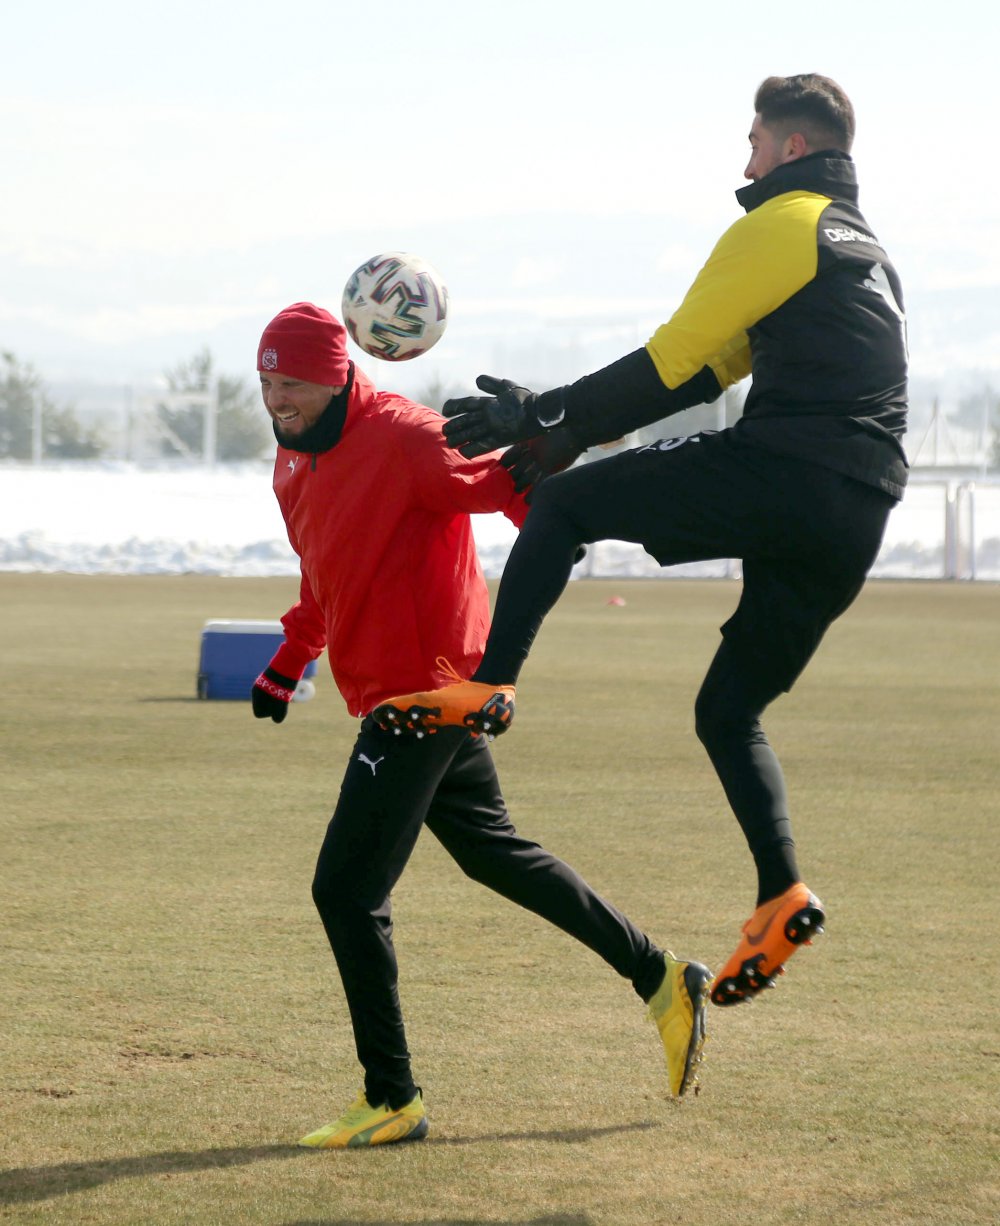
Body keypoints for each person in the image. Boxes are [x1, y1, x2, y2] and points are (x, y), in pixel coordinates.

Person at [373, 74, 909, 1009]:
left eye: (752, 142)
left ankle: (488, 687)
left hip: (790, 467)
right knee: (727, 711)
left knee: (566, 509)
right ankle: (781, 892)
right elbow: (712, 368)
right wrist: (564, 430)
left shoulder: (782, 223)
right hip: (862, 508)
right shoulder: (871, 254)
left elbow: (674, 357)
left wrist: (539, 414)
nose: (742, 161)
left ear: (789, 148)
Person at [249, 302, 711, 1150]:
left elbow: (527, 497)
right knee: (493, 851)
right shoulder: (289, 459)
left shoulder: (408, 437)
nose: (280, 398)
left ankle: (392, 1098)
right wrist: (291, 658)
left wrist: (559, 561)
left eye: (296, 384)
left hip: (426, 696)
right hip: (387, 691)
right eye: (269, 381)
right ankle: (661, 975)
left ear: (338, 373)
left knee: (345, 891)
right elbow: (323, 571)